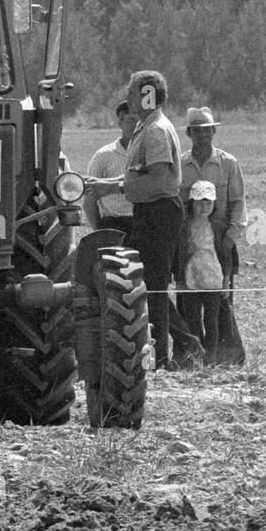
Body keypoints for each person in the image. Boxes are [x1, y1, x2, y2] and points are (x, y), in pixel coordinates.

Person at [84, 71, 183, 371]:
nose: (128, 97)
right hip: (149, 212)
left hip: (158, 212)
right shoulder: (148, 127)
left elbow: (157, 180)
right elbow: (138, 177)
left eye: (133, 92)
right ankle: (153, 353)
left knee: (152, 284)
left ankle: (160, 357)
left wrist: (112, 187)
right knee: (143, 282)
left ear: (148, 94)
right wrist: (108, 184)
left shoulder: (154, 132)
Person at [178, 107, 246, 365]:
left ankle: (225, 357)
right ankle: (190, 356)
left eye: (207, 130)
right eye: (197, 131)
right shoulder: (180, 165)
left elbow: (239, 202)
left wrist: (231, 237)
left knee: (221, 305)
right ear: (189, 133)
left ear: (214, 131)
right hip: (191, 244)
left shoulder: (228, 163)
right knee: (189, 305)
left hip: (221, 241)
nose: (203, 136)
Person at [174, 179, 229, 362]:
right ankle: (196, 358)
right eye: (199, 202)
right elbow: (177, 255)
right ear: (191, 203)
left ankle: (211, 359)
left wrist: (226, 280)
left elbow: (227, 255)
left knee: (211, 321)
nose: (204, 206)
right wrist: (179, 278)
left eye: (208, 202)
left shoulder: (219, 227)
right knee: (193, 320)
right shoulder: (183, 227)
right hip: (190, 280)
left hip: (213, 279)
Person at [83, 101, 136, 238]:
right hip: (113, 224)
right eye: (131, 120)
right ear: (120, 122)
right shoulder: (103, 156)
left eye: (139, 121)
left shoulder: (149, 154)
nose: (136, 126)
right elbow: (89, 201)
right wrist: (99, 232)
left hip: (143, 222)